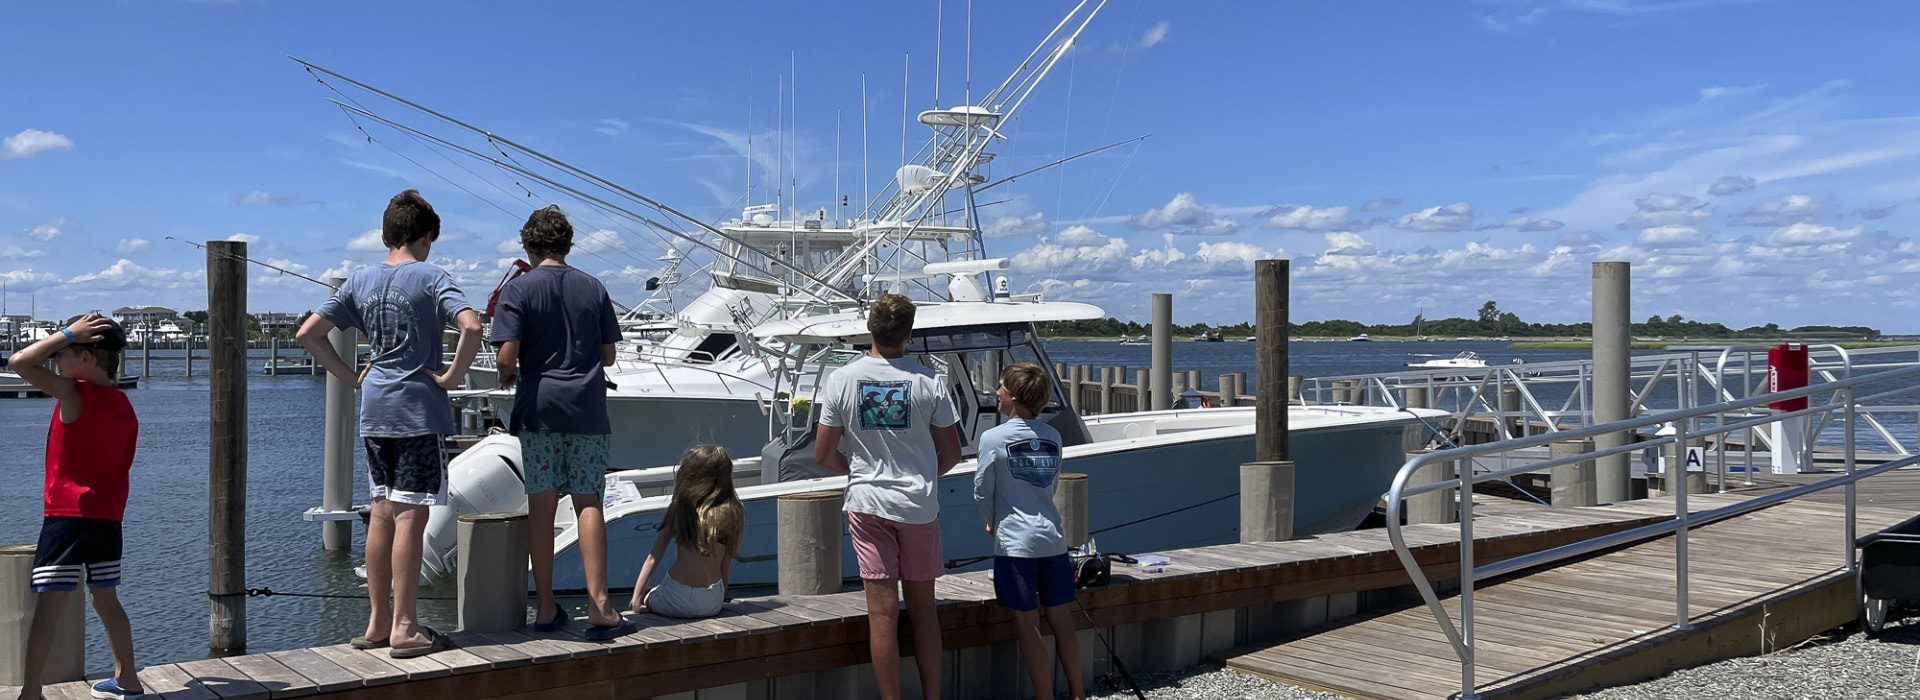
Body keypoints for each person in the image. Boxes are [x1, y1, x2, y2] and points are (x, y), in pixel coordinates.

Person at [296, 189, 481, 659]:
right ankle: (405, 626)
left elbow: (308, 334)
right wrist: (451, 377)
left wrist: (352, 377)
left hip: (375, 408)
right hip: (419, 409)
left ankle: (377, 621)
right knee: (410, 519)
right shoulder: (431, 276)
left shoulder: (358, 280)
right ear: (424, 237)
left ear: (386, 234)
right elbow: (472, 327)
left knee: (381, 511)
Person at [489, 205, 629, 639]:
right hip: (587, 407)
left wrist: (508, 372)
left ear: (529, 245)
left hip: (538, 409)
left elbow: (506, 355)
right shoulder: (594, 287)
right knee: (589, 502)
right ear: (568, 244)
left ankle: (547, 607)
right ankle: (601, 605)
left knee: (542, 507)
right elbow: (608, 355)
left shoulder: (520, 290)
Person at [812, 293, 962, 700]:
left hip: (867, 503)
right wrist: (918, 476)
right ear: (909, 335)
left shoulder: (842, 379)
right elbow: (951, 453)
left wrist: (859, 474)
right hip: (917, 506)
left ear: (869, 329)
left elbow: (823, 453)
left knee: (881, 614)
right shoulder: (929, 381)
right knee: (923, 612)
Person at [8, 314, 144, 699]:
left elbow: (19, 362)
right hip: (107, 518)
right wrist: (70, 340)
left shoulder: (74, 394)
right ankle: (127, 679)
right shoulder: (122, 404)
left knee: (49, 605)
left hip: (67, 517)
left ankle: (31, 692)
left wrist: (66, 333)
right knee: (105, 597)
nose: (53, 359)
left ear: (85, 358)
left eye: (61, 353)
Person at [974, 363, 1084, 700]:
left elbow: (982, 489)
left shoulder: (993, 438)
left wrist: (991, 519)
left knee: (1028, 626)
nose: (997, 392)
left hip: (1016, 543)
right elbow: (1050, 484)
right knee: (1062, 621)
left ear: (1014, 398)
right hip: (1052, 538)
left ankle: (1044, 695)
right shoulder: (1052, 436)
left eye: (1001, 388)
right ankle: (1078, 693)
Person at [627, 445, 744, 619]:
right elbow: (726, 563)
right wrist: (721, 595)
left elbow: (653, 557)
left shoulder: (680, 509)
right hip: (712, 601)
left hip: (677, 596)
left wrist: (637, 599)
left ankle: (644, 597)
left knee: (649, 595)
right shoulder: (733, 511)